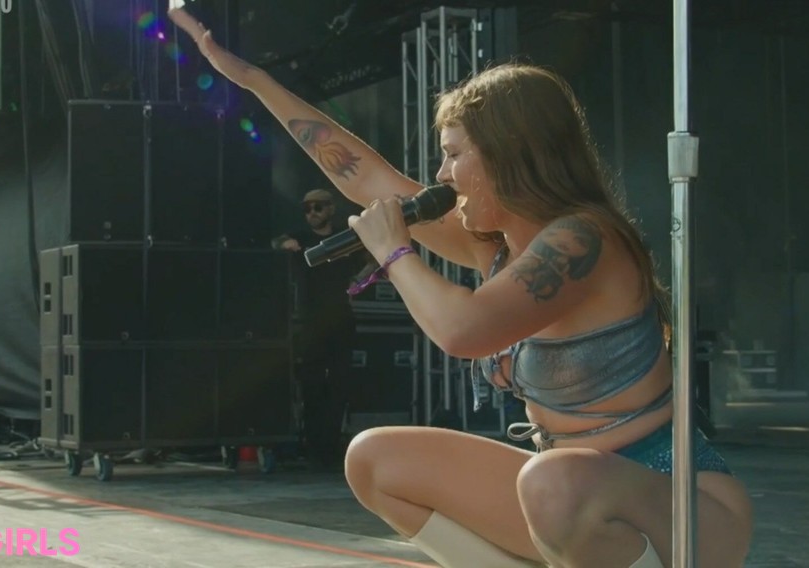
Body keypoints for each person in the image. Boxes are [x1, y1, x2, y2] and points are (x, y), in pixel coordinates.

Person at [168, 6, 753, 567]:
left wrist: (395, 252)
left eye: (453, 155)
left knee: (552, 481)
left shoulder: (584, 240)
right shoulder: (494, 246)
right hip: (562, 489)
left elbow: (464, 331)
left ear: (507, 156)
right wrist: (254, 80)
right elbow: (364, 176)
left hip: (679, 503)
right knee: (376, 461)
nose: (442, 175)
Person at [272, 188, 362, 468]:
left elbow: (373, 258)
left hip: (340, 318)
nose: (312, 213)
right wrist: (284, 243)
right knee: (311, 384)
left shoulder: (343, 239)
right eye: (307, 208)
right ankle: (314, 447)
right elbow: (275, 241)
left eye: (318, 207)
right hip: (310, 320)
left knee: (339, 384)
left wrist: (358, 282)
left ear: (331, 208)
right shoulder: (302, 238)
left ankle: (330, 447)